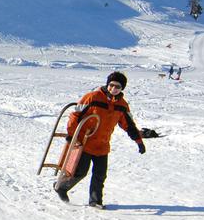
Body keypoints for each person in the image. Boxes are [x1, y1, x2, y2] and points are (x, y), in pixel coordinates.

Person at [53, 72, 146, 209]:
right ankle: (61, 187)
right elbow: (75, 115)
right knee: (80, 172)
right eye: (111, 85)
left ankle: (95, 201)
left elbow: (129, 125)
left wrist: (139, 141)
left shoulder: (122, 105)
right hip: (84, 142)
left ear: (122, 89)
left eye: (117, 87)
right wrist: (73, 135)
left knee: (100, 174)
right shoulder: (92, 97)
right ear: (107, 84)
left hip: (102, 145)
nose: (113, 89)